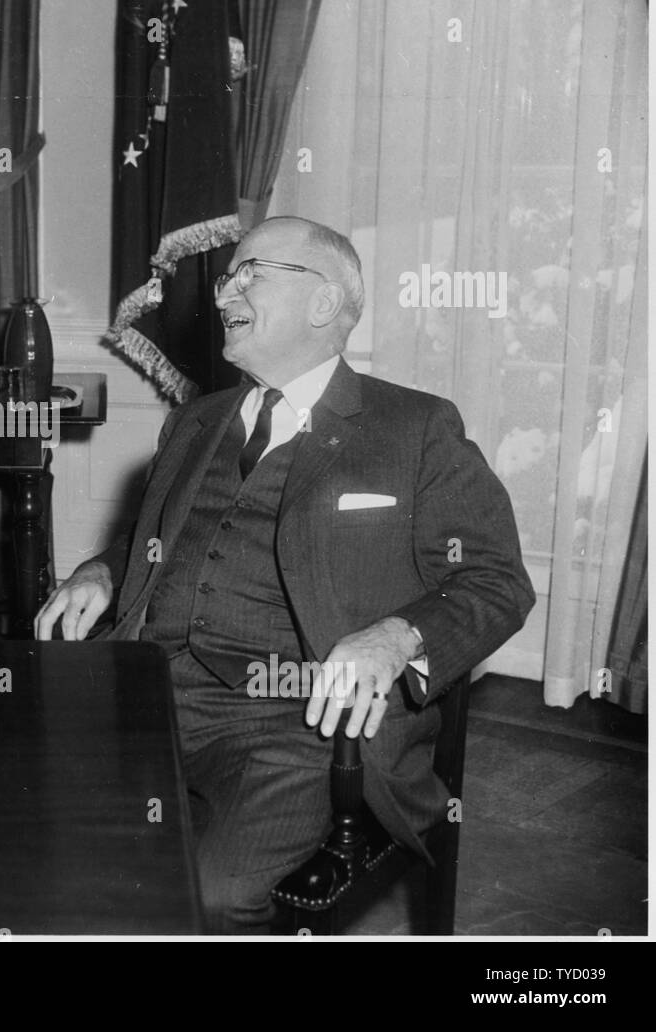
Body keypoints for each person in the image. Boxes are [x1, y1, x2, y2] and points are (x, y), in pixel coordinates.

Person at [36, 216, 534, 933]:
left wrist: (396, 637)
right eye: (226, 277)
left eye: (249, 273)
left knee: (207, 893)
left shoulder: (414, 429)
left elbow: (496, 579)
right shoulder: (194, 422)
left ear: (324, 303)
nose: (221, 293)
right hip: (145, 691)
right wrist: (102, 574)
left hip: (299, 723)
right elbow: (153, 542)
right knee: (22, 832)